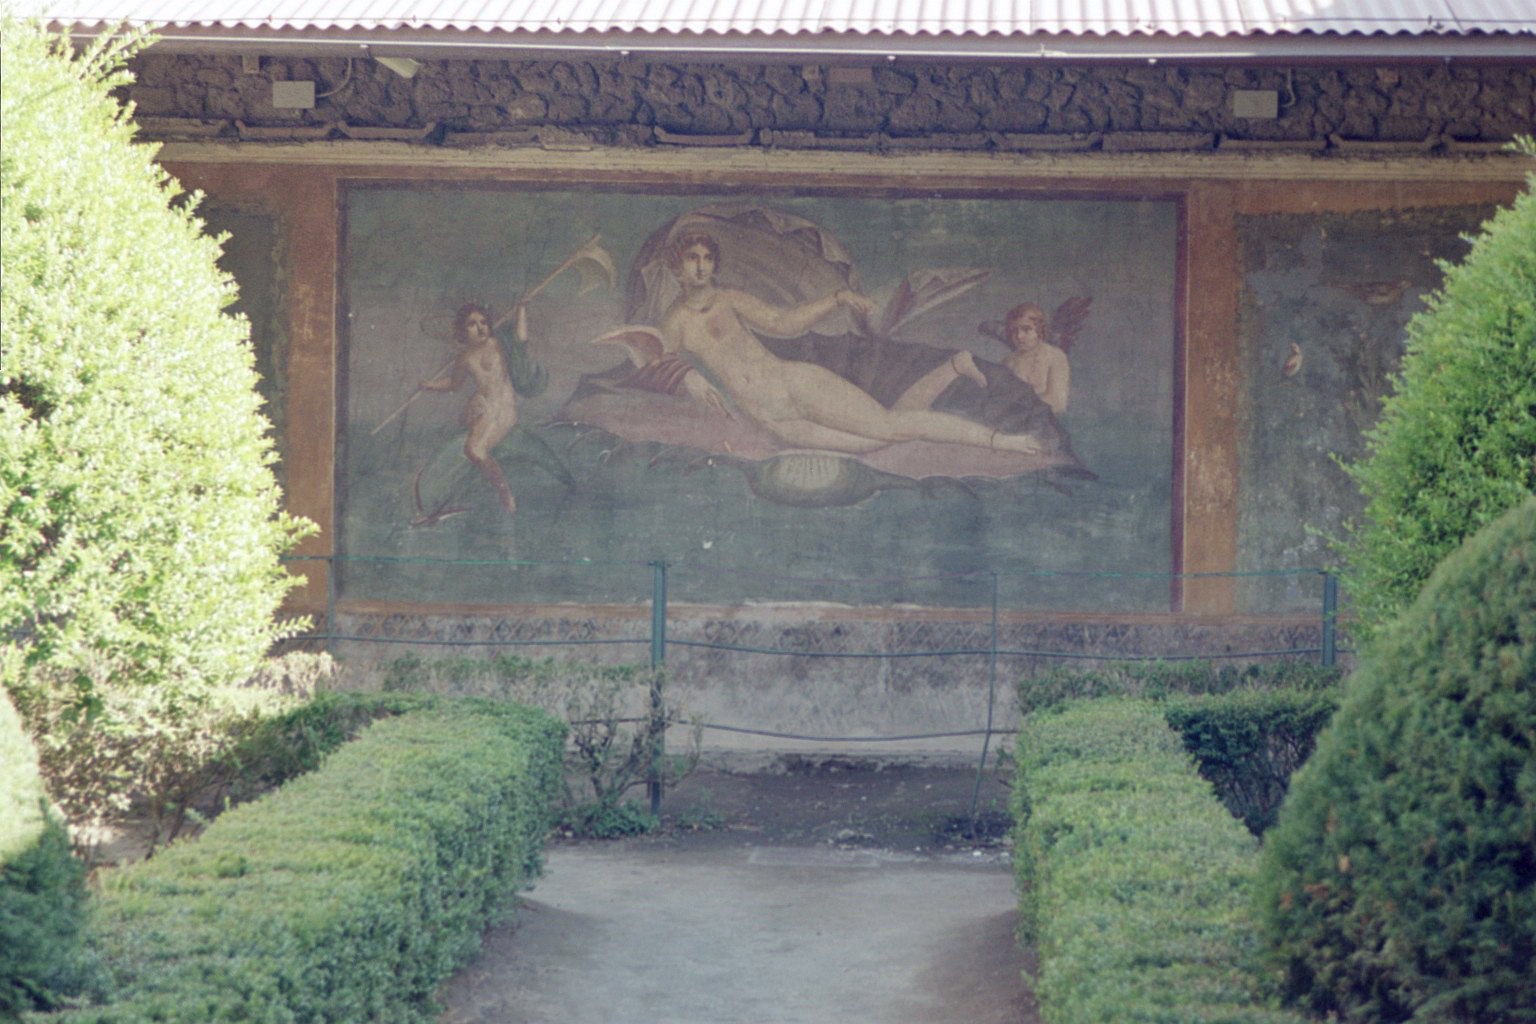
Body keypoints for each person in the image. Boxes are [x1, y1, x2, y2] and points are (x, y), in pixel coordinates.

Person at [652, 232, 1040, 456]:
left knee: (889, 427)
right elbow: (653, 362)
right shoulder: (675, 321)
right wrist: (687, 376)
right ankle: (953, 367)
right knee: (876, 442)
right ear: (676, 266)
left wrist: (836, 299)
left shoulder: (730, 299)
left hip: (794, 383)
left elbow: (782, 323)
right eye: (691, 258)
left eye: (706, 258)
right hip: (772, 418)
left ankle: (1001, 441)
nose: (700, 266)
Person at [420, 303, 519, 515]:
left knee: (474, 450)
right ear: (463, 331)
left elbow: (521, 339)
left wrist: (521, 309)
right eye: (472, 324)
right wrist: (430, 385)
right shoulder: (464, 358)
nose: (480, 328)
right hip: (486, 405)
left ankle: (506, 494)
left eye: (483, 322)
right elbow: (453, 384)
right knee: (469, 439)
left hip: (504, 405)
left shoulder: (497, 344)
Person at [1001, 301, 1070, 415]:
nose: (1019, 336)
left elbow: (1058, 402)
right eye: (1014, 331)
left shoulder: (1055, 356)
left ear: (1039, 329)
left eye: (1026, 329)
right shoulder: (1008, 361)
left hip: (1042, 420)